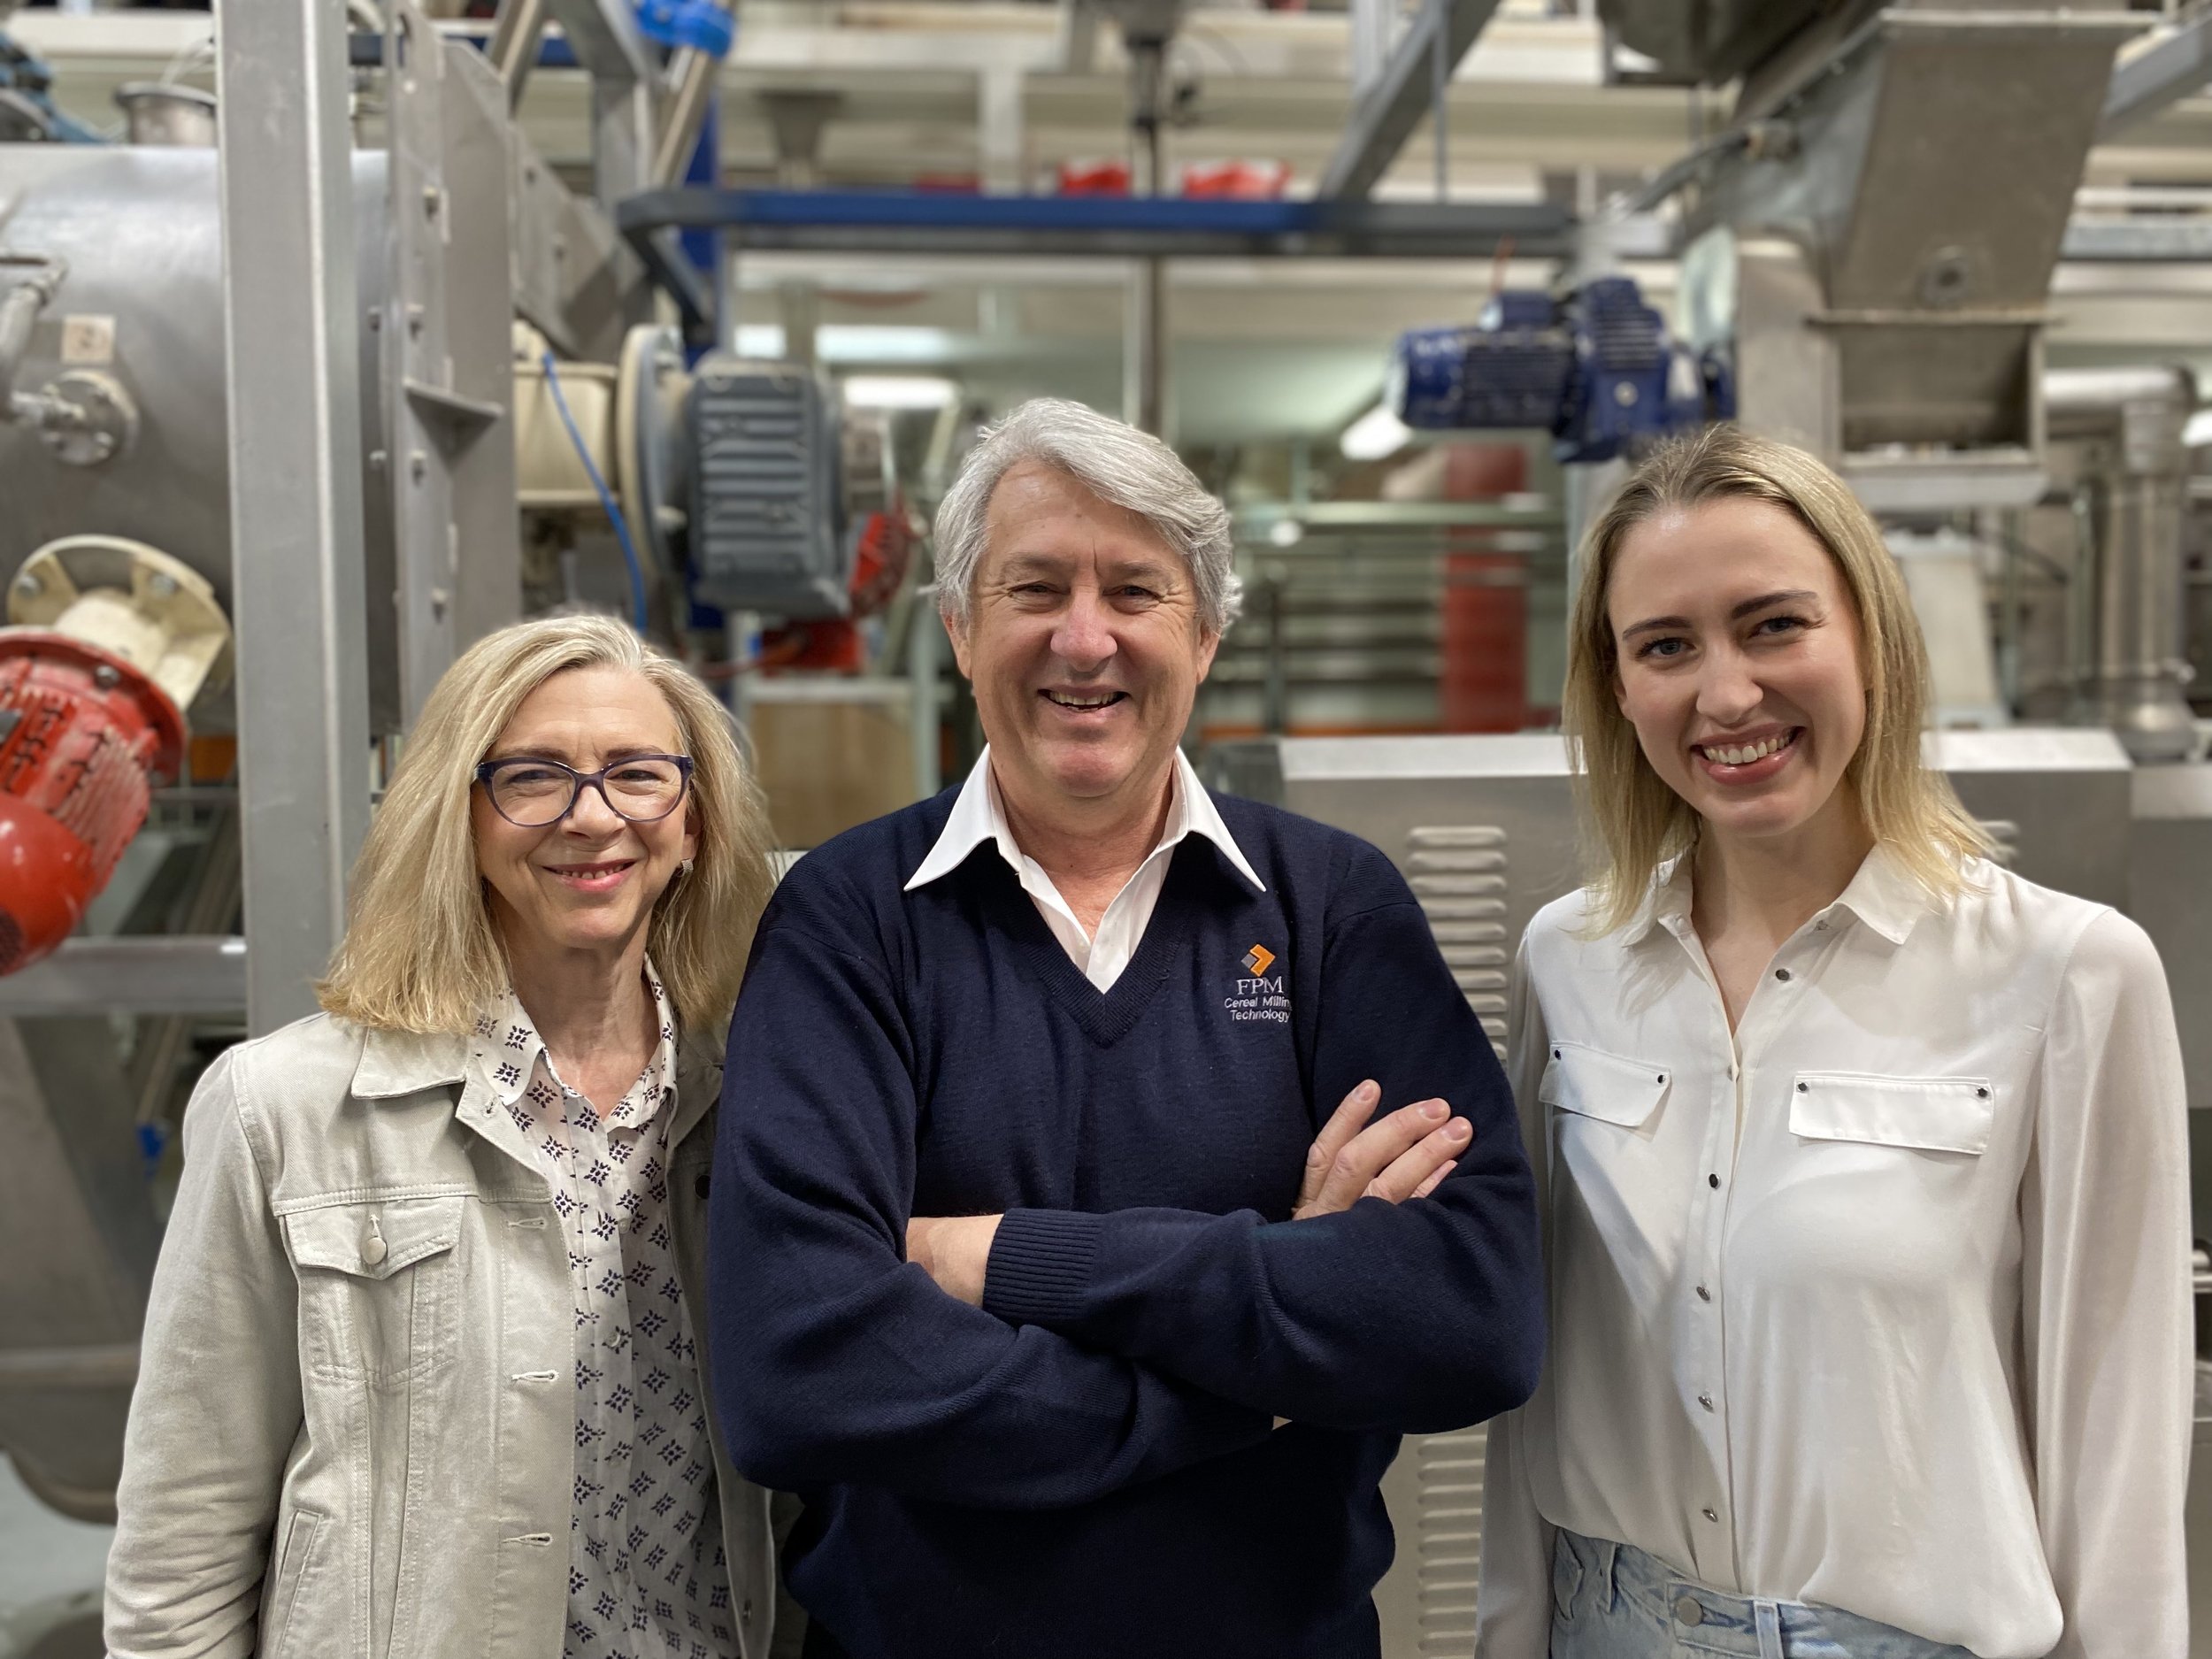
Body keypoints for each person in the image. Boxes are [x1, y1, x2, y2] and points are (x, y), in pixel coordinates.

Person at [707, 397, 1546, 1659]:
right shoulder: (849, 918)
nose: (1084, 637)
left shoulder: (1330, 908)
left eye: (1136, 591)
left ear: (1204, 635)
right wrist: (1259, 1363)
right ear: (958, 625)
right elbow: (799, 1364)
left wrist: (998, 1261)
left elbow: (1471, 1312)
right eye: (1034, 586)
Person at [1474, 426, 2192, 1658]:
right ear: (1616, 685)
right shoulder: (1568, 960)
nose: (1727, 694)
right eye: (1665, 646)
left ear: (1873, 637)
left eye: (1773, 624)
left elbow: (2117, 1434)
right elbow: (1533, 1386)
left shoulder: (2069, 971)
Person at [105, 614, 786, 1659]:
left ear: (693, 822)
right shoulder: (285, 1108)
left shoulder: (757, 1097)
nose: (590, 816)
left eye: (637, 774)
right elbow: (182, 1539)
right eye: (532, 776)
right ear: (458, 818)